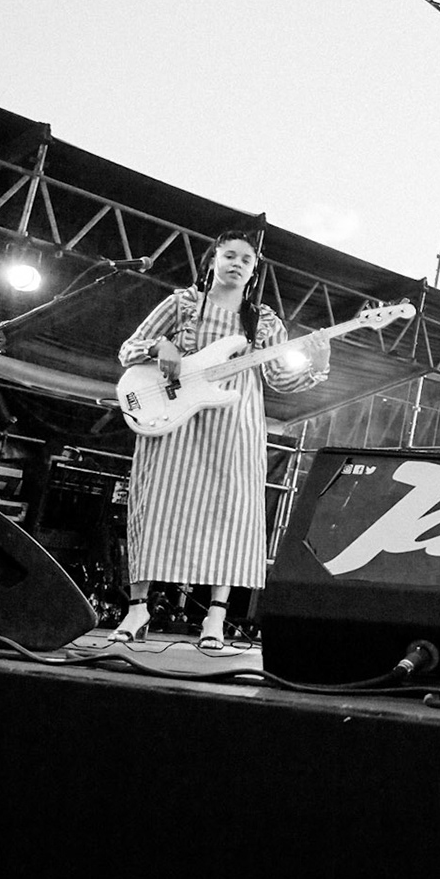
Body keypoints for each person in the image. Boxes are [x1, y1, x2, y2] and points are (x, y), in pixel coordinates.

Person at [109, 230, 329, 647]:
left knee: (230, 512)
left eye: (246, 260)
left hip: (234, 424)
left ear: (254, 272)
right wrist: (160, 347)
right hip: (173, 419)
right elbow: (128, 349)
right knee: (155, 504)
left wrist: (318, 364)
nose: (237, 264)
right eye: (229, 255)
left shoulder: (264, 321)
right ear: (212, 260)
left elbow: (280, 380)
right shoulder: (181, 304)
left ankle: (215, 617)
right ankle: (137, 608)